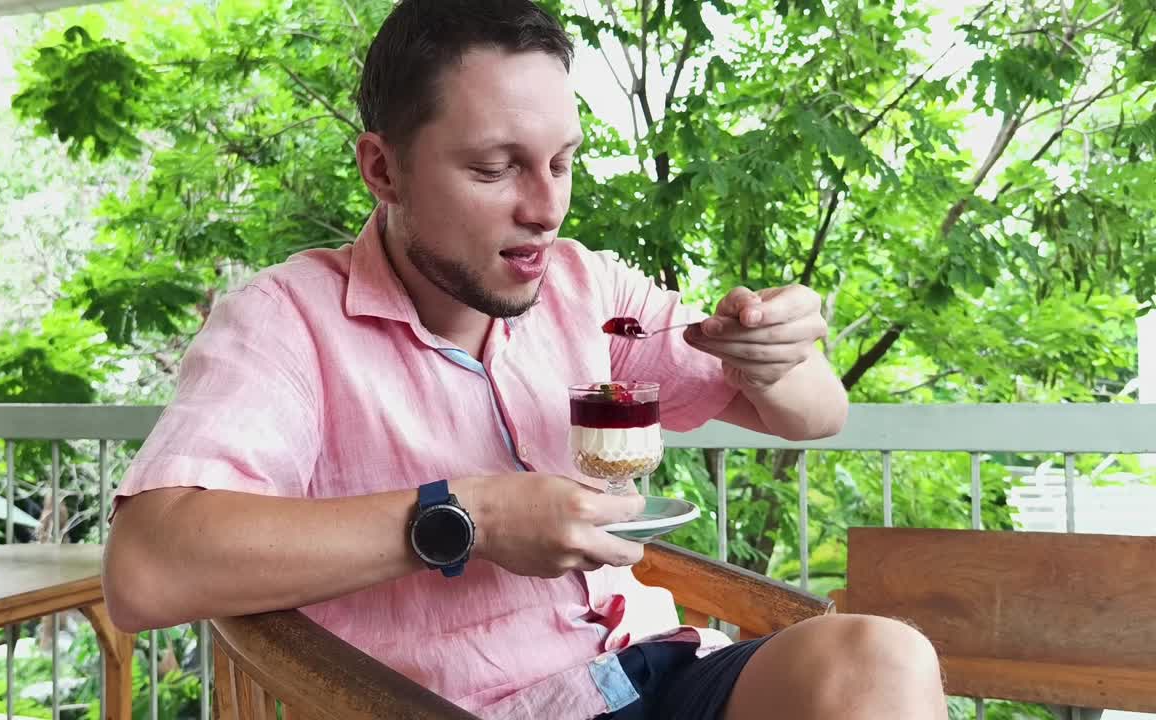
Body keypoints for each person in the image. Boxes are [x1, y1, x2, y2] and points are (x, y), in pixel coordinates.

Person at [103, 1, 947, 718]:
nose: (545, 209)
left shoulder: (586, 288)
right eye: (495, 168)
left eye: (561, 163)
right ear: (382, 169)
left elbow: (812, 414)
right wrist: (472, 517)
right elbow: (145, 569)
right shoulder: (288, 324)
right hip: (463, 706)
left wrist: (774, 350)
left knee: (884, 665)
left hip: (649, 670)